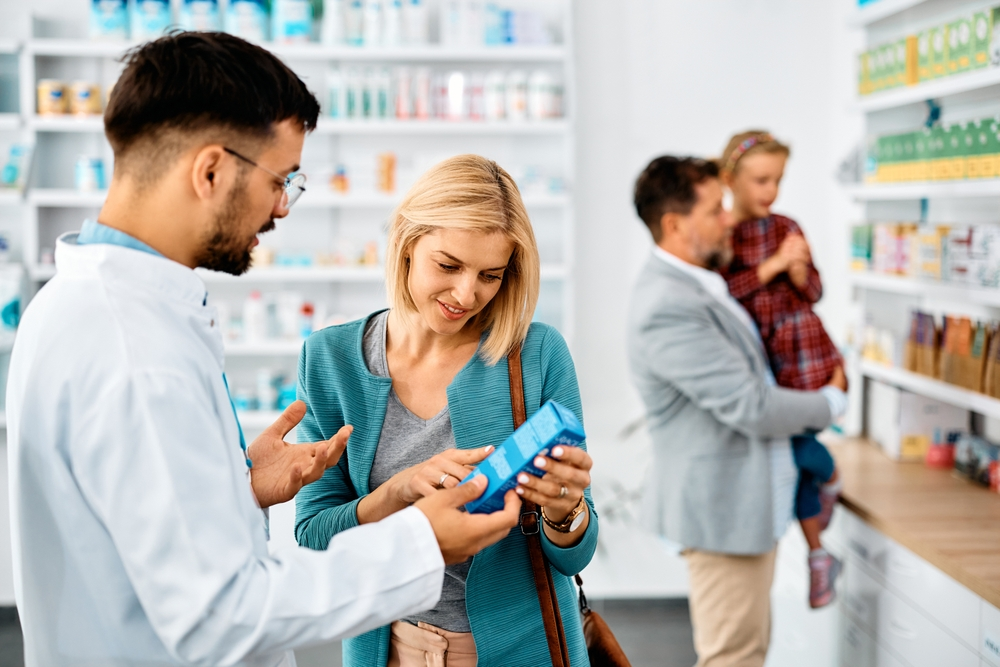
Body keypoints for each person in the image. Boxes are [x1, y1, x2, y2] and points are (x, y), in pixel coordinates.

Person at [6, 33, 521, 667]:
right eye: (280, 180)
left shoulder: (72, 307)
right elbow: (220, 616)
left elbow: (134, 527)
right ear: (211, 170)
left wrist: (238, 488)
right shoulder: (136, 353)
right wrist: (420, 545)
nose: (282, 207)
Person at [294, 154, 599, 667]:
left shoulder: (537, 355)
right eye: (449, 265)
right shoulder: (331, 359)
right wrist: (395, 494)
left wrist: (564, 510)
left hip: (521, 649)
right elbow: (314, 536)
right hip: (388, 649)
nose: (467, 294)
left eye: (490, 275)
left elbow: (573, 556)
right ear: (407, 245)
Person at [627, 156, 848, 667]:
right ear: (675, 224)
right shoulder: (667, 304)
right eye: (716, 209)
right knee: (734, 657)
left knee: (745, 649)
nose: (731, 219)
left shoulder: (701, 283)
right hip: (722, 516)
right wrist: (832, 400)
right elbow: (751, 403)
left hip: (742, 509)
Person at [719, 130, 844, 609]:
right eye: (760, 180)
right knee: (797, 457)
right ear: (730, 179)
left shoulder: (788, 225)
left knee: (794, 450)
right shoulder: (724, 234)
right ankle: (822, 533)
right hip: (763, 360)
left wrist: (797, 272)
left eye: (778, 181)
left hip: (802, 350)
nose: (770, 192)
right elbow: (725, 295)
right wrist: (771, 268)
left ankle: (818, 555)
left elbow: (814, 292)